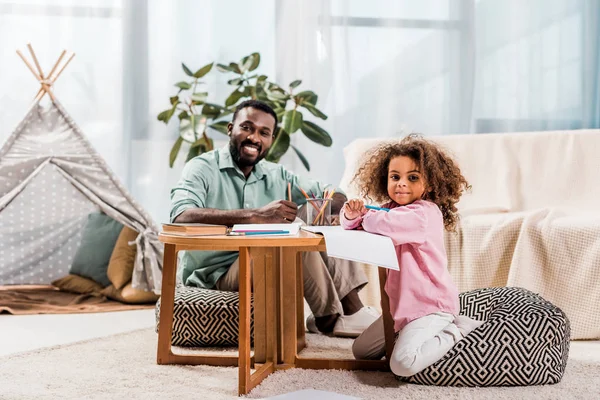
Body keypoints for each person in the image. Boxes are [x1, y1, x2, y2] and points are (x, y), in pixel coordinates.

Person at [170, 100, 379, 337]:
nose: (254, 137)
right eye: (247, 128)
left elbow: (329, 191)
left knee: (312, 214)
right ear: (230, 129)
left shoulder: (276, 173)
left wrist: (334, 208)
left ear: (271, 140)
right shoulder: (201, 168)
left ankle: (351, 311)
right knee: (288, 236)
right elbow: (181, 215)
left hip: (257, 260)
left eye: (264, 132)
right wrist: (256, 215)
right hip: (215, 273)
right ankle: (330, 318)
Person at [340, 134, 484, 376]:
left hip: (429, 306)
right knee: (362, 351)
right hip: (401, 309)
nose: (401, 184)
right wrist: (352, 215)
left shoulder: (424, 214)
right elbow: (353, 224)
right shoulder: (391, 210)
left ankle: (457, 328)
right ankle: (409, 335)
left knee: (402, 364)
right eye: (395, 177)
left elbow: (385, 225)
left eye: (412, 177)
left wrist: (366, 217)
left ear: (430, 183)